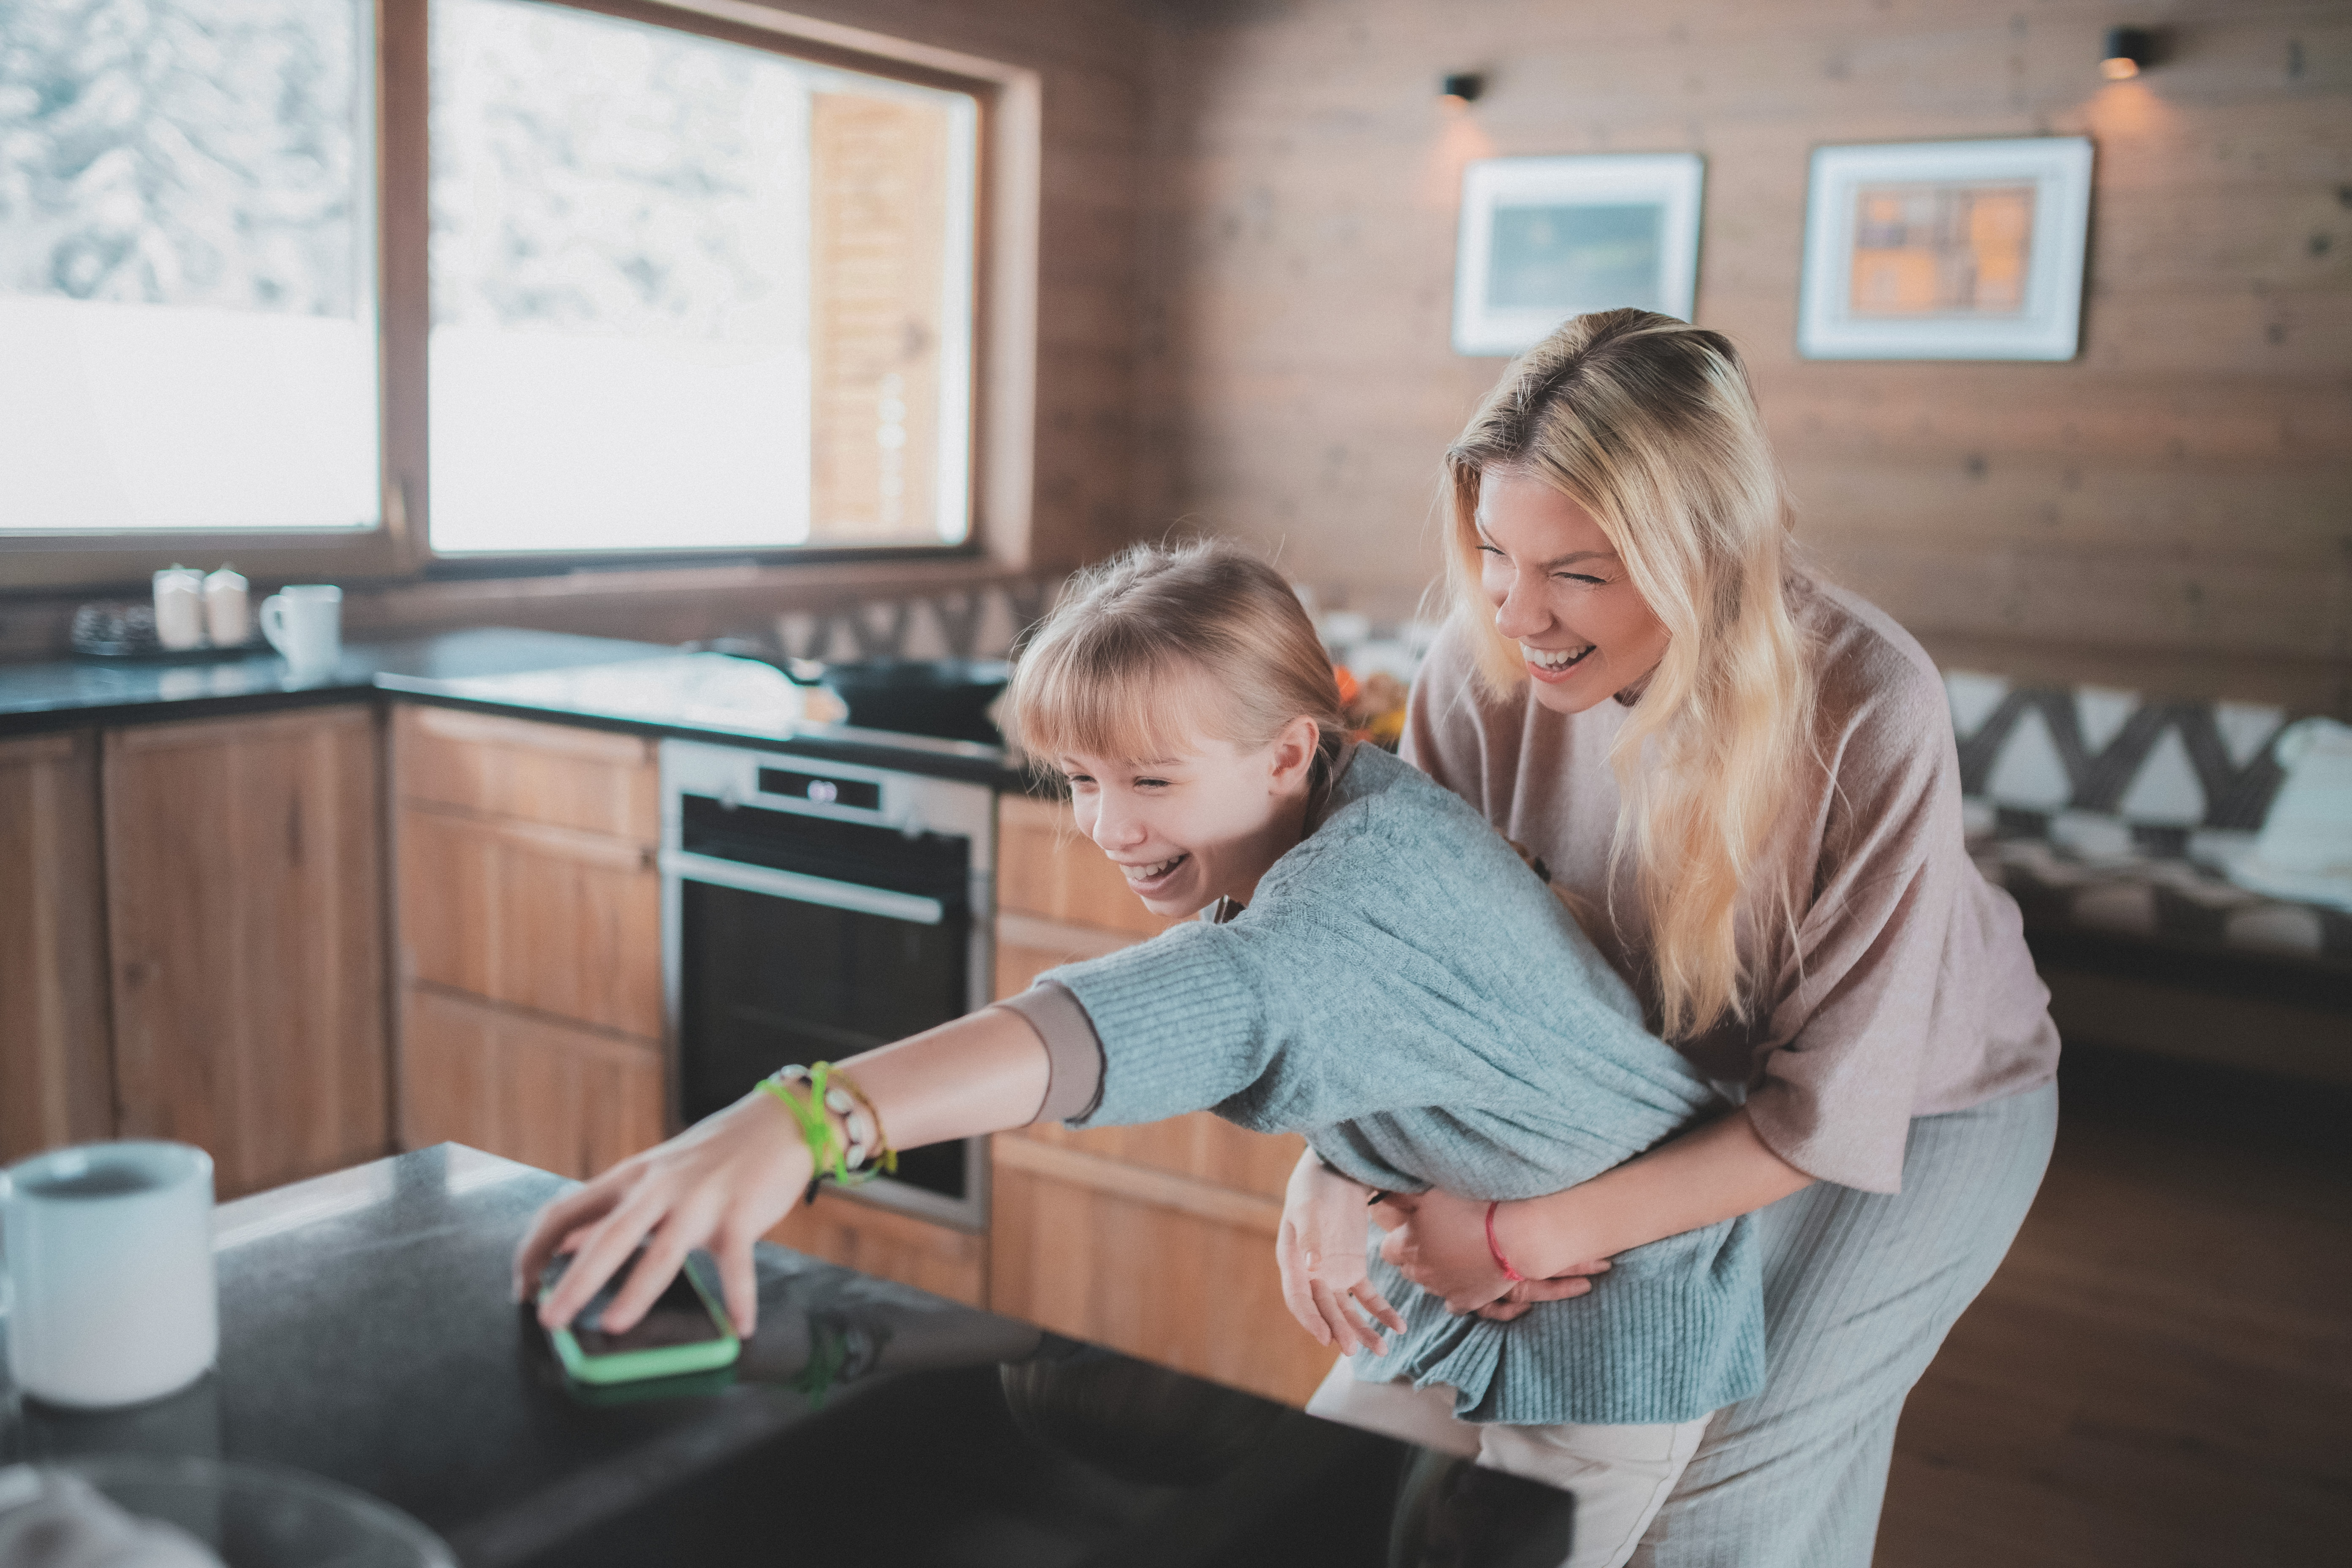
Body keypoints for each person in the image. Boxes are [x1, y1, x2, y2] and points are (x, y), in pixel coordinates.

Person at [516, 540, 1769, 1568]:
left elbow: (1154, 1012)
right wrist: (1338, 1170)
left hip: (1609, 1335)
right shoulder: (1333, 812)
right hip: (1455, 1299)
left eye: (1151, 783)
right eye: (1081, 779)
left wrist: (803, 1124)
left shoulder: (1361, 889)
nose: (1108, 826)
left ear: (1288, 750)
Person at [1274, 308, 2061, 1568]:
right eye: (1495, 552)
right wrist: (1331, 1169)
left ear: (1706, 550)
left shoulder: (1869, 703)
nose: (1520, 613)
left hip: (1916, 1106)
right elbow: (1399, 974)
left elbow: (1821, 1116)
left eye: (1579, 573)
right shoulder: (1478, 674)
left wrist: (1516, 1238)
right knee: (1436, 1432)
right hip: (1645, 1097)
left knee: (1724, 1496)